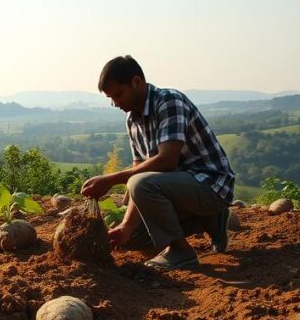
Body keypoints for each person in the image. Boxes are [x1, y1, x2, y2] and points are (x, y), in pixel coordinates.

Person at [80, 56, 235, 269]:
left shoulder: (169, 101)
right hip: (180, 190)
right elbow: (139, 173)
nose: (115, 103)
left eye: (118, 94)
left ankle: (181, 251)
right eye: (110, 97)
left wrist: (110, 179)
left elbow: (166, 160)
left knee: (139, 184)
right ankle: (211, 220)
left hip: (211, 185)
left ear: (136, 82)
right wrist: (126, 227)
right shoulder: (132, 120)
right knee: (133, 238)